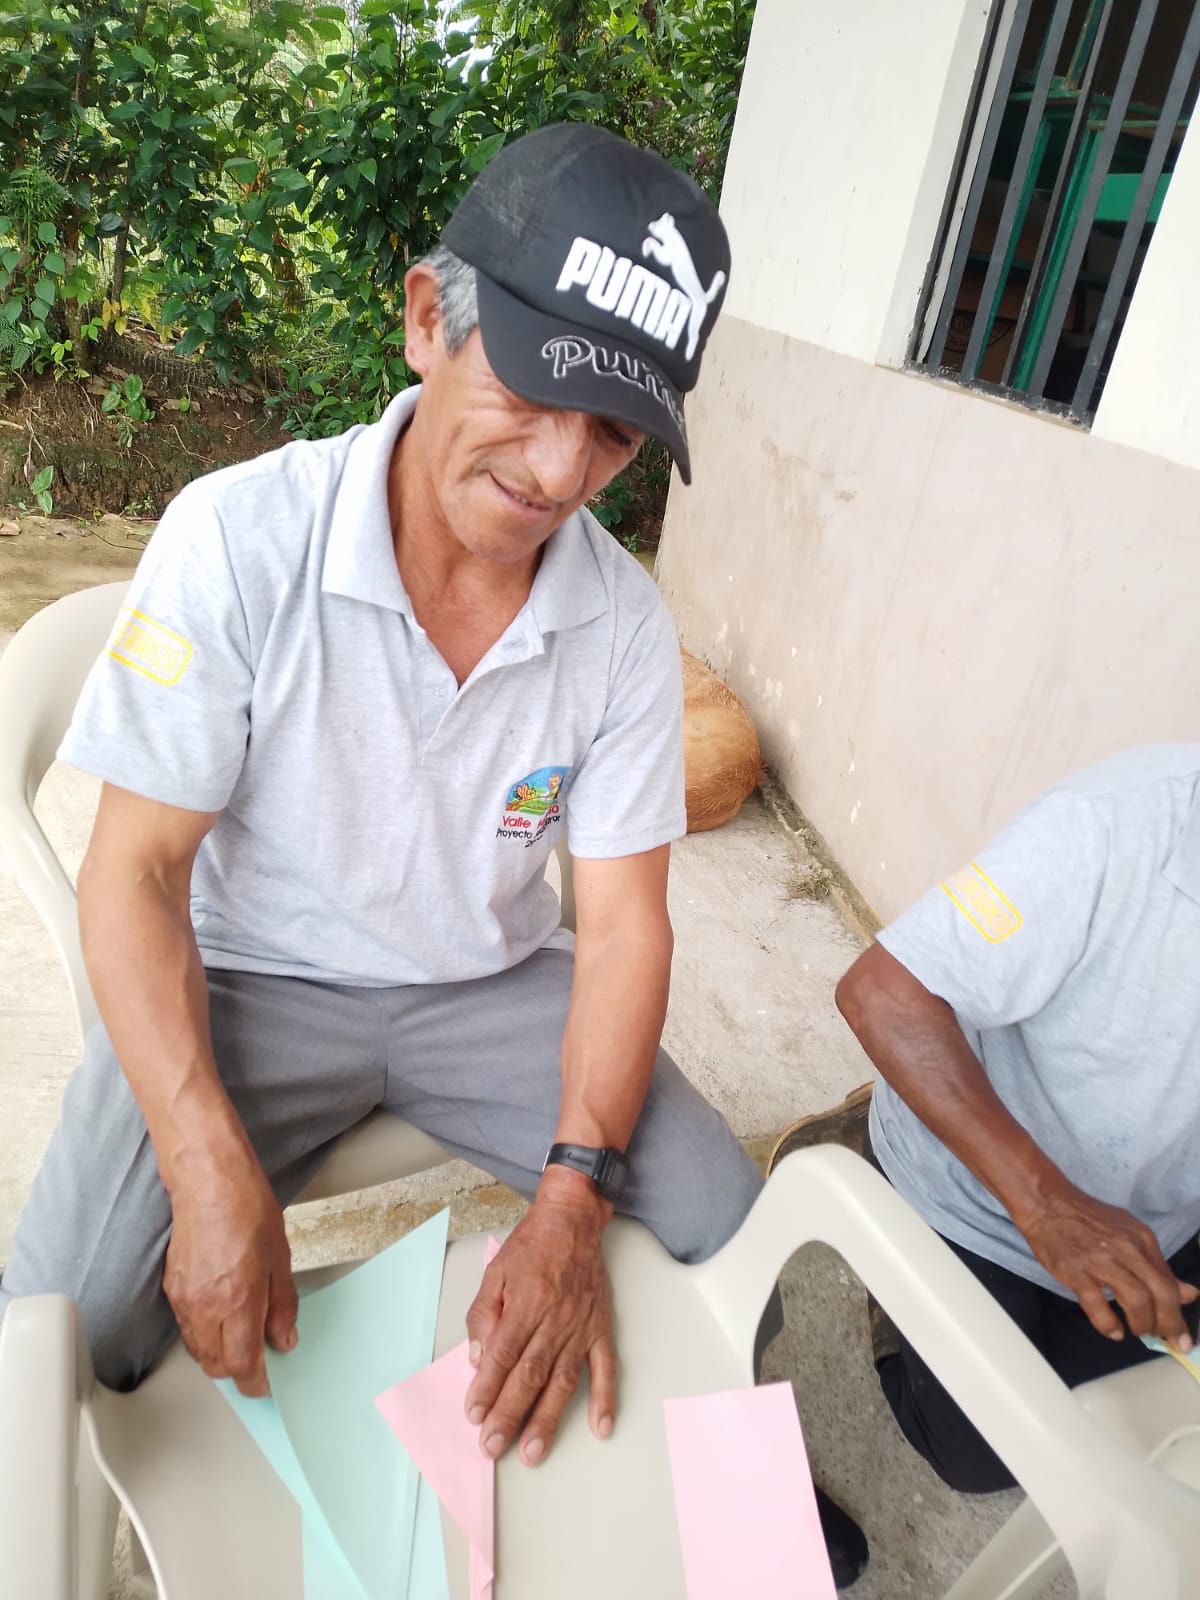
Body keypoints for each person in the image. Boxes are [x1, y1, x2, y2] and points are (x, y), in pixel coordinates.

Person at [0, 124, 867, 1584]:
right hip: (254, 981)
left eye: (614, 435)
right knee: (61, 1326)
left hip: (489, 989)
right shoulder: (240, 539)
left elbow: (626, 926)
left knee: (727, 1220)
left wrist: (571, 1196)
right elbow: (134, 874)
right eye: (535, 393)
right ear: (424, 320)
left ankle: (745, 1521)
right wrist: (206, 1163)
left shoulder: (617, 623)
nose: (560, 469)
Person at [816, 745, 1200, 1491]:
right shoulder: (1108, 827)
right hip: (981, 1195)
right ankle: (882, 1183)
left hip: (1161, 1211)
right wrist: (1047, 1205)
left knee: (1133, 1423)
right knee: (988, 1454)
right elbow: (883, 996)